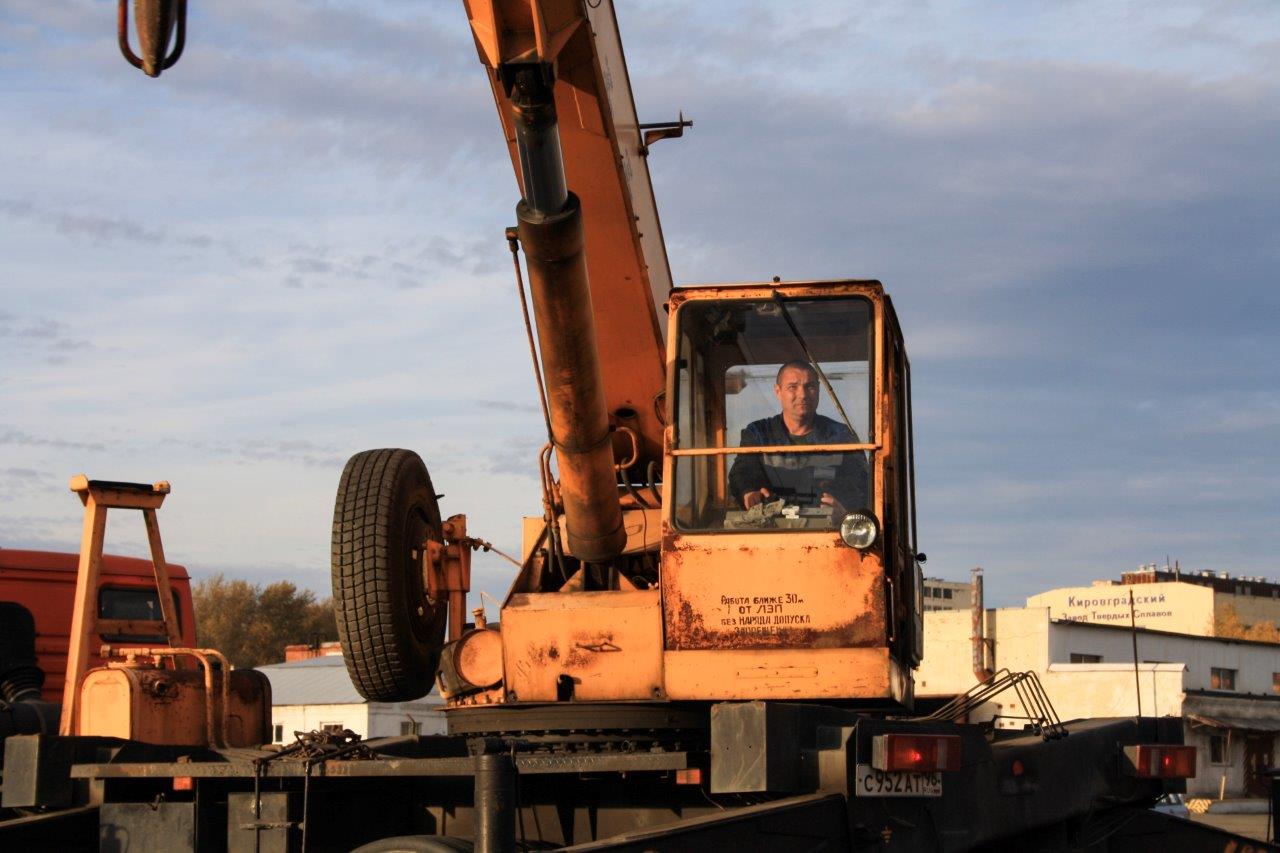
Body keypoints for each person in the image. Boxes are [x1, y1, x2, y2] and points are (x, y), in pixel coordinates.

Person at [728, 360, 869, 515]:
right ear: (778, 391)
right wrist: (748, 492)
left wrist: (845, 511)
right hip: (769, 528)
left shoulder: (842, 436)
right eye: (793, 387)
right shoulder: (758, 434)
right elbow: (742, 473)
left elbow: (862, 486)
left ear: (818, 390)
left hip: (828, 531)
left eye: (810, 386)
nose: (802, 395)